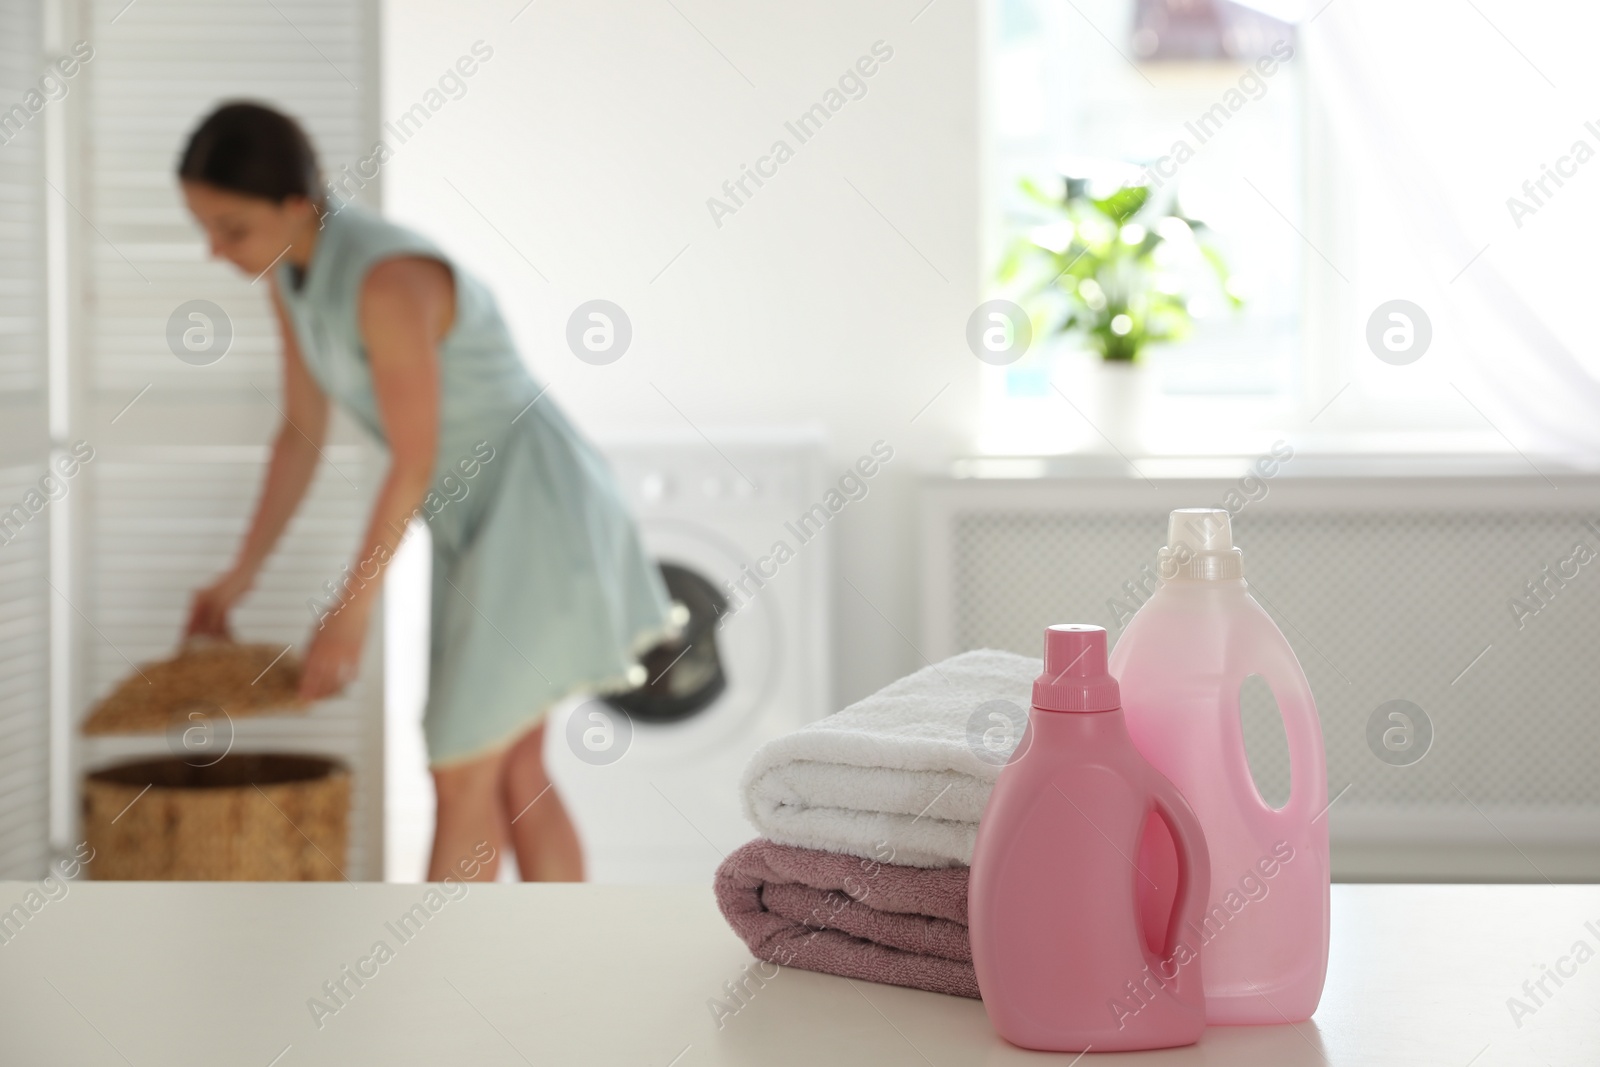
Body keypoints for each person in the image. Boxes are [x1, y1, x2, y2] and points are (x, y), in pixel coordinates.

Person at [176, 101, 677, 882]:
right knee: (509, 769)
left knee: (460, 764)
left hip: (539, 511)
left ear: (296, 205)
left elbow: (413, 458)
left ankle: (443, 989)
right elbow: (299, 436)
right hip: (477, 522)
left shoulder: (387, 278)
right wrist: (238, 574)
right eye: (204, 227)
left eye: (231, 228)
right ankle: (556, 976)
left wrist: (350, 612)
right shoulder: (290, 277)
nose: (215, 249)